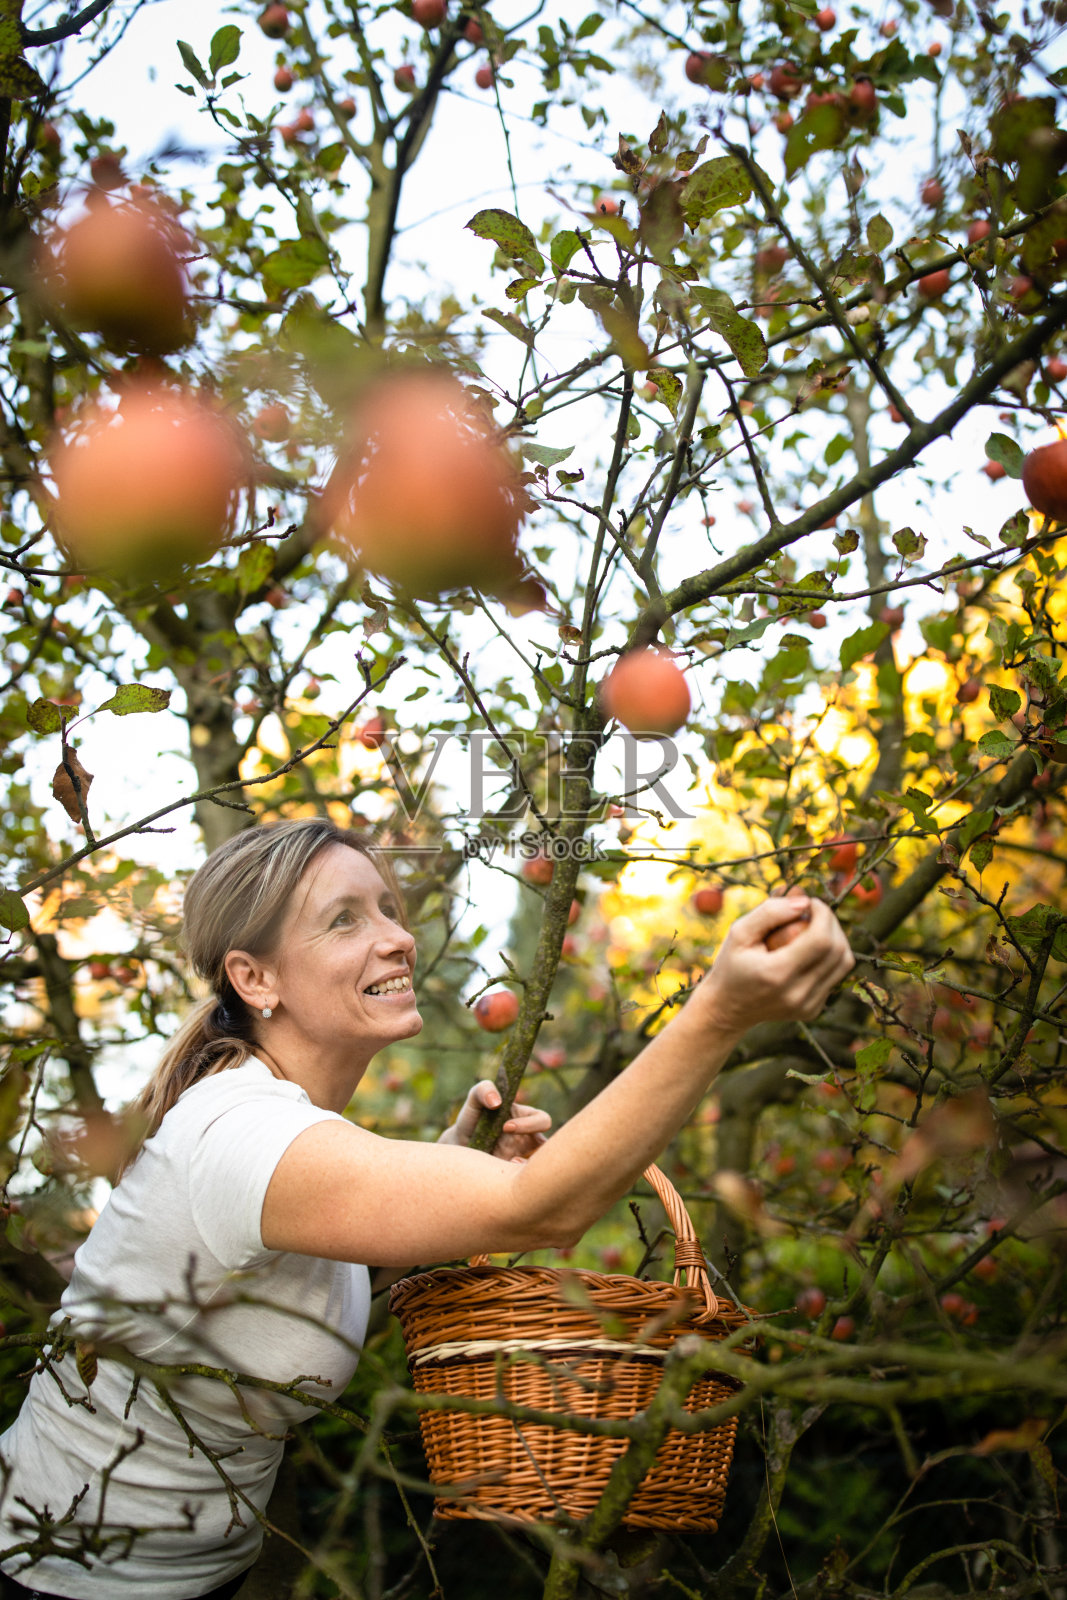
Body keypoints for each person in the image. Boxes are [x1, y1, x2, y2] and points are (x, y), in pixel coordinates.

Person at [0, 819, 853, 1598]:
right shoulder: (238, 1134)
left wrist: (447, 1168)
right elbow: (541, 1210)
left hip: (186, 1576)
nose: (397, 937)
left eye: (388, 909)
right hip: (61, 1581)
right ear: (254, 977)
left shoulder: (288, 1130)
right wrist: (719, 1012)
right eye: (344, 920)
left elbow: (298, 1291)